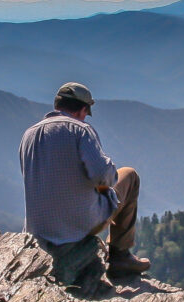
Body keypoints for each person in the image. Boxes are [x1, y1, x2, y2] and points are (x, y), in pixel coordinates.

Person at [19, 82, 150, 275]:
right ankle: (120, 257)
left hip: (37, 230)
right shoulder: (80, 130)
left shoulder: (28, 135)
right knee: (129, 175)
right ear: (83, 110)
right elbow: (104, 176)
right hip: (77, 225)